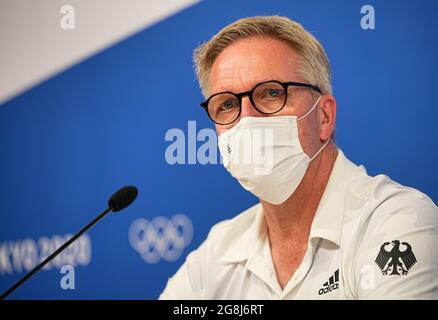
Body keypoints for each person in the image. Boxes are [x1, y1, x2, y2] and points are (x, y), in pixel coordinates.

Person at [159, 15, 438, 299]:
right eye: (227, 104)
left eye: (270, 93)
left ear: (324, 116)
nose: (246, 120)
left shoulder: (397, 221)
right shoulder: (216, 256)